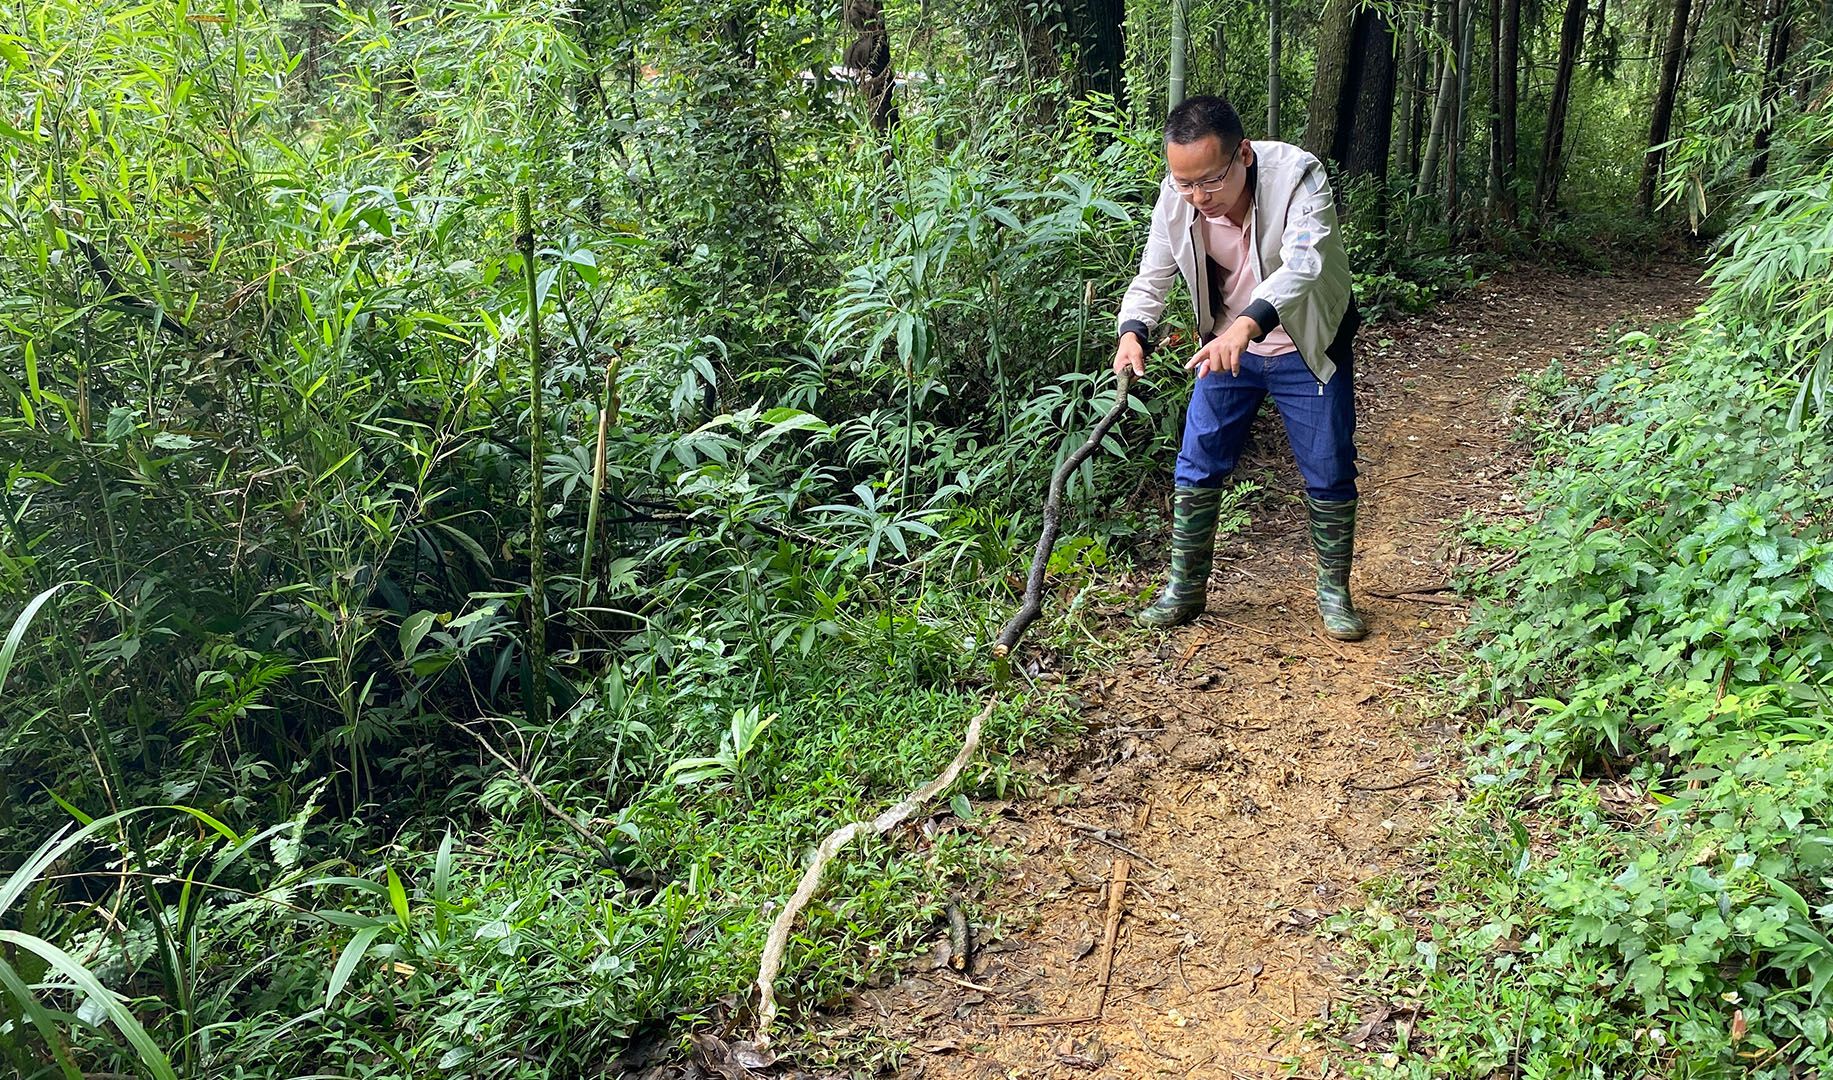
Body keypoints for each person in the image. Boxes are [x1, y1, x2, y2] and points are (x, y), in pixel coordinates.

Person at [1113, 95, 1368, 641]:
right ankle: (1185, 587)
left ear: (1244, 155)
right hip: (1225, 347)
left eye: (1209, 181)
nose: (1197, 196)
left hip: (1305, 345)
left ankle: (1333, 591)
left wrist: (1247, 326)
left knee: (1329, 465)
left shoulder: (1299, 177)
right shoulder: (1178, 197)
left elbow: (1304, 262)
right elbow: (1153, 273)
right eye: (1183, 182)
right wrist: (1133, 331)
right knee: (1198, 460)